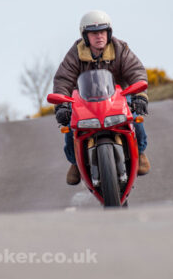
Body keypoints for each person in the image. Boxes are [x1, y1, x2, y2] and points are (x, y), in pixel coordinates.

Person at [52, 10, 151, 185]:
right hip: (84, 101)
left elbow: (136, 71)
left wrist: (140, 96)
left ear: (109, 32)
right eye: (94, 33)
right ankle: (75, 163)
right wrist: (62, 106)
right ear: (85, 36)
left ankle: (140, 152)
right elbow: (63, 80)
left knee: (136, 118)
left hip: (118, 99)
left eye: (103, 31)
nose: (99, 36)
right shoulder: (75, 53)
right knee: (70, 126)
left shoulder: (121, 48)